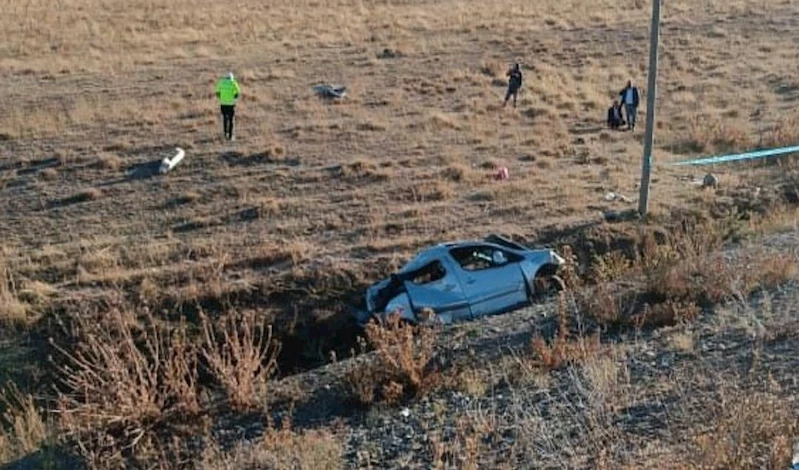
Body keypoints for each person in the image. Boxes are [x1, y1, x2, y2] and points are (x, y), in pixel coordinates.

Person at [215, 72, 240, 141]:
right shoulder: (233, 82)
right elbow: (238, 92)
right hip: (231, 104)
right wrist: (234, 97)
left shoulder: (221, 82)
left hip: (223, 104)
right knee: (231, 119)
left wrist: (221, 98)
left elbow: (217, 92)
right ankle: (231, 136)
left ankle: (225, 133)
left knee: (225, 119)